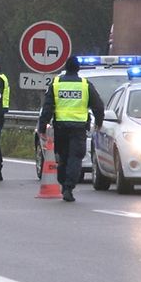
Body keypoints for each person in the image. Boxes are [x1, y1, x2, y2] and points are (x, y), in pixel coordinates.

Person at [38, 57, 105, 202]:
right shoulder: (85, 85)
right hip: (78, 128)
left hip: (61, 127)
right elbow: (98, 106)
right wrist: (99, 122)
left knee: (63, 157)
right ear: (78, 69)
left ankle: (63, 182)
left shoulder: (56, 84)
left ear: (65, 68)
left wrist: (42, 127)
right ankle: (68, 187)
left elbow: (47, 107)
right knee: (75, 157)